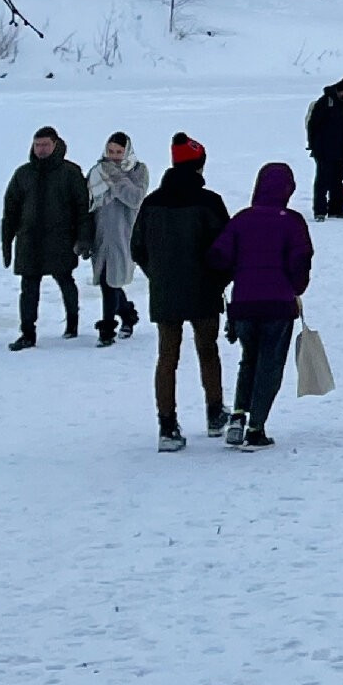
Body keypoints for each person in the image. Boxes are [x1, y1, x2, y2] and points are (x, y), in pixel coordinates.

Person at [132, 134, 231, 450]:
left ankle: (167, 426)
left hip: (166, 290)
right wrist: (219, 281)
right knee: (208, 350)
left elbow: (137, 248)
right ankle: (215, 414)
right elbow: (227, 249)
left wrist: (157, 276)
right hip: (204, 288)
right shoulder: (210, 202)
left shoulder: (152, 202)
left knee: (167, 357)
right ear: (200, 166)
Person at [209, 162, 314, 451]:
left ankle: (238, 416)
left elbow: (219, 255)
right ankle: (256, 428)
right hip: (278, 305)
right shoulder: (292, 222)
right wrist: (296, 288)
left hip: (244, 303)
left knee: (249, 360)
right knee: (269, 365)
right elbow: (300, 260)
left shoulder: (242, 220)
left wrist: (234, 278)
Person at [0, 127, 90, 349]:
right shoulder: (23, 174)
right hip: (29, 241)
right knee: (28, 288)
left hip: (61, 240)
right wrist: (7, 243)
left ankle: (72, 324)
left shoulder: (70, 172)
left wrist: (84, 239)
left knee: (65, 281)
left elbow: (83, 208)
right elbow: (10, 210)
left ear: (56, 145)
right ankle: (27, 333)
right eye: (37, 145)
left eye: (45, 145)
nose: (41, 149)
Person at [85, 133, 148, 347]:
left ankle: (107, 330)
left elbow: (134, 198)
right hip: (101, 237)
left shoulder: (138, 171)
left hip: (124, 237)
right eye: (110, 152)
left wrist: (114, 177)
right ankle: (127, 314)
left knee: (111, 281)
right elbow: (89, 204)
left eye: (119, 152)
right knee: (107, 281)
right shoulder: (96, 172)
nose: (114, 157)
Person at [305, 77, 343, 219]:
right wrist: (313, 145)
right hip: (323, 149)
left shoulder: (342, 103)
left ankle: (336, 209)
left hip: (339, 149)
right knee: (322, 181)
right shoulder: (325, 102)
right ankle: (320, 211)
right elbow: (313, 125)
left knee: (337, 179)